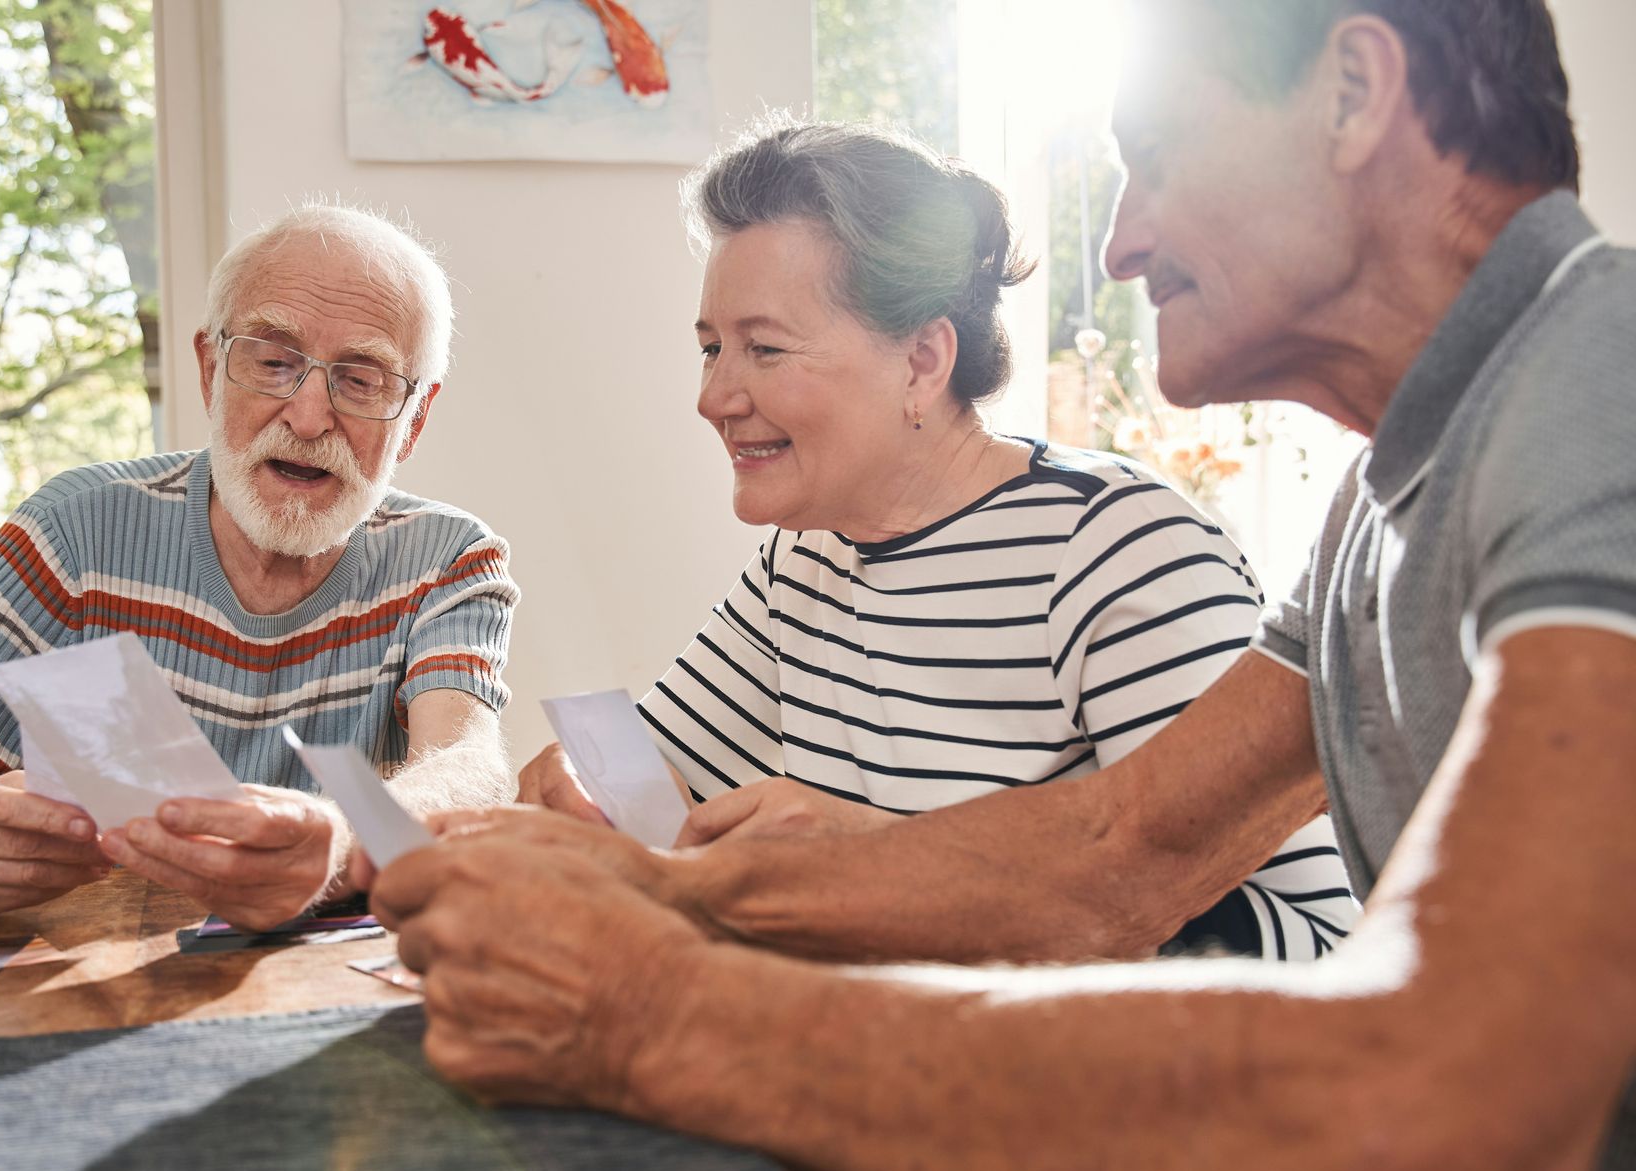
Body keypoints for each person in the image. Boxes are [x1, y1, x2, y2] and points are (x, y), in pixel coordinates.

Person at [373, 1, 1636, 1171]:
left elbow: (1444, 1127)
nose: (1126, 241)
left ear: (1358, 91)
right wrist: (660, 889)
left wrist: (653, 1008)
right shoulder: (1388, 496)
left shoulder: (1604, 383)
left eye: (1159, 149)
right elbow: (1120, 848)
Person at [521, 122, 1358, 963]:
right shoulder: (809, 557)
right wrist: (583, 777)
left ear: (922, 361)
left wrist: (885, 870)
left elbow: (1320, 948)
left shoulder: (1117, 550)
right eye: (711, 349)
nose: (714, 398)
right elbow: (661, 775)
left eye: (764, 349)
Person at [0, 204, 519, 931]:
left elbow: (469, 772)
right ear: (212, 370)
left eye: (362, 380)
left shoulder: (449, 559)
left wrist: (338, 844)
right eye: (273, 363)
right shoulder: (72, 533)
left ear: (415, 420)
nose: (308, 418)